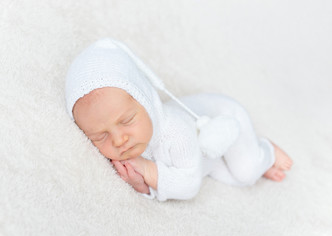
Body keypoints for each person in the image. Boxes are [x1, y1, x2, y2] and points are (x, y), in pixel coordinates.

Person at [65, 38, 293, 201]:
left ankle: (265, 150)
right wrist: (141, 184)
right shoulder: (129, 138)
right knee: (225, 175)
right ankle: (251, 154)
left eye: (126, 121)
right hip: (202, 158)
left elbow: (190, 186)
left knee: (246, 172)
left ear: (146, 101)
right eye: (100, 136)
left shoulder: (175, 132)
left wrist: (149, 170)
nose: (118, 140)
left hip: (224, 117)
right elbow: (162, 182)